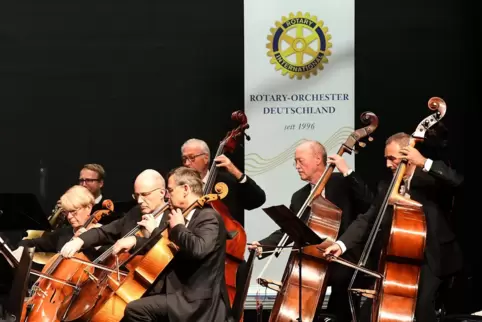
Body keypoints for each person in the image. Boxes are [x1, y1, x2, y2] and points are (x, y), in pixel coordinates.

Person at [323, 132, 464, 322]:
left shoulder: (430, 180)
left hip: (433, 257)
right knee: (369, 312)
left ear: (409, 156)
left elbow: (457, 181)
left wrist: (424, 162)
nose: (388, 164)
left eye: (392, 159)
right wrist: (340, 245)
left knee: (422, 308)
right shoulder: (386, 187)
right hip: (398, 259)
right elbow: (367, 219)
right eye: (386, 159)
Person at [249, 140, 374, 322]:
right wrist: (264, 245)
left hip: (346, 259)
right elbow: (290, 229)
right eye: (295, 162)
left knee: (340, 289)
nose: (297, 166)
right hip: (315, 262)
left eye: (300, 161)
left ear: (317, 159)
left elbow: (369, 205)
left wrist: (347, 171)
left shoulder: (343, 182)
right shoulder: (300, 196)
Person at [105, 166, 231, 322]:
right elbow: (168, 248)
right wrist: (136, 241)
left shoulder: (208, 217)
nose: (167, 196)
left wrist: (178, 227)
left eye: (170, 191)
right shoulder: (184, 215)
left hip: (195, 300)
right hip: (179, 292)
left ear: (185, 189)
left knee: (135, 310)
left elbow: (198, 249)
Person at [60, 169, 168, 258]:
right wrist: (80, 241)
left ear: (162, 193)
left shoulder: (173, 217)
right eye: (136, 196)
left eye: (145, 194)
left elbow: (168, 251)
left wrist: (136, 241)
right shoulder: (135, 213)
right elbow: (105, 232)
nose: (139, 200)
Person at [14, 185, 103, 261]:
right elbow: (31, 243)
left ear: (88, 207)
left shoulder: (104, 234)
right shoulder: (63, 234)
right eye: (66, 212)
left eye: (73, 212)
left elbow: (108, 261)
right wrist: (20, 250)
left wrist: (89, 241)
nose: (69, 217)